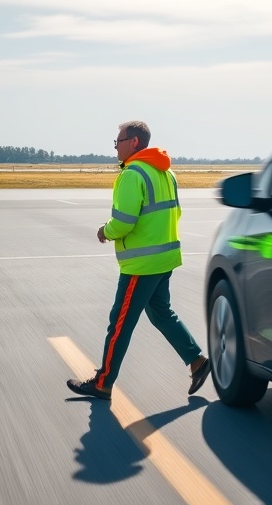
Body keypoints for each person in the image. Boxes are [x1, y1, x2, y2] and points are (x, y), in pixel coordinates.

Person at [67, 120, 210, 401]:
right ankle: (197, 362)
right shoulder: (165, 172)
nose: (115, 147)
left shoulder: (132, 174)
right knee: (160, 313)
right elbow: (175, 213)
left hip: (141, 264)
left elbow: (124, 221)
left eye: (117, 142)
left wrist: (104, 232)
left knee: (119, 323)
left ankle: (103, 383)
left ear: (133, 142)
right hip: (164, 258)